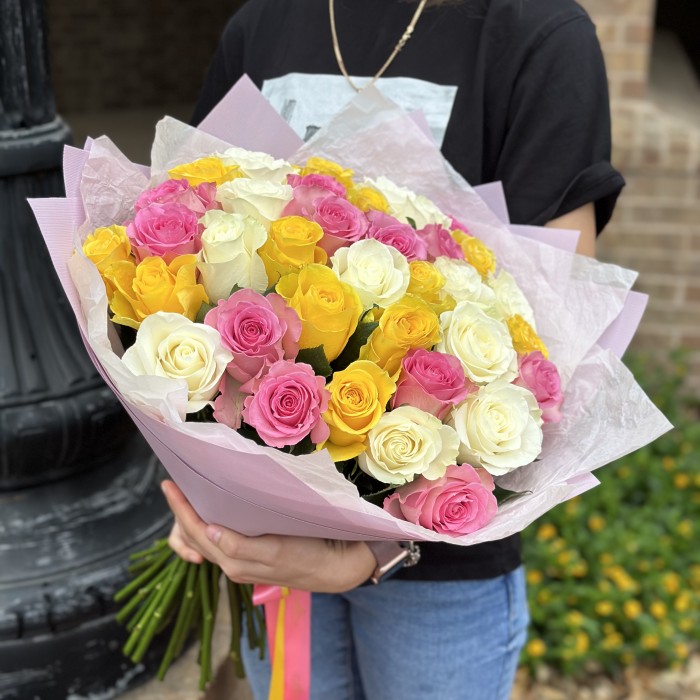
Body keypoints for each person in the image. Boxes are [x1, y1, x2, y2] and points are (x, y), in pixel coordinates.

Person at [163, 0, 625, 697]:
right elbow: (186, 249)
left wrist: (377, 550)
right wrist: (201, 484)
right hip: (274, 558)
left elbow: (550, 349)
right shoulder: (263, 24)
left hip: (439, 574)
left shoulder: (537, 34)